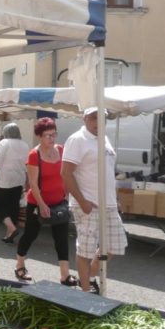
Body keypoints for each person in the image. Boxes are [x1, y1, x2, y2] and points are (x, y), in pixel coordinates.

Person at [62, 107, 127, 294]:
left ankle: (88, 278)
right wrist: (82, 201)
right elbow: (66, 173)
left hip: (109, 204)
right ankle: (85, 290)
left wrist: (116, 198)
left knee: (114, 245)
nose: (98, 122)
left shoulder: (104, 139)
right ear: (84, 119)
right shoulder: (77, 139)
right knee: (86, 250)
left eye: (102, 118)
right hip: (88, 203)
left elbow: (108, 172)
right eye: (93, 117)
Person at [14, 118, 77, 286]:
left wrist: (67, 195)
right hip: (37, 202)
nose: (51, 138)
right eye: (47, 135)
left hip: (59, 202)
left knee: (62, 238)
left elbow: (66, 175)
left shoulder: (62, 150)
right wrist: (41, 205)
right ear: (39, 137)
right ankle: (20, 264)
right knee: (30, 234)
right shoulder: (34, 155)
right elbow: (33, 183)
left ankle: (65, 275)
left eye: (53, 134)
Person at [0, 123, 29, 242]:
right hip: (19, 178)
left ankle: (12, 229)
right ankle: (9, 235)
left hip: (4, 178)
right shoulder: (25, 145)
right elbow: (27, 164)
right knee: (13, 207)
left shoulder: (4, 143)